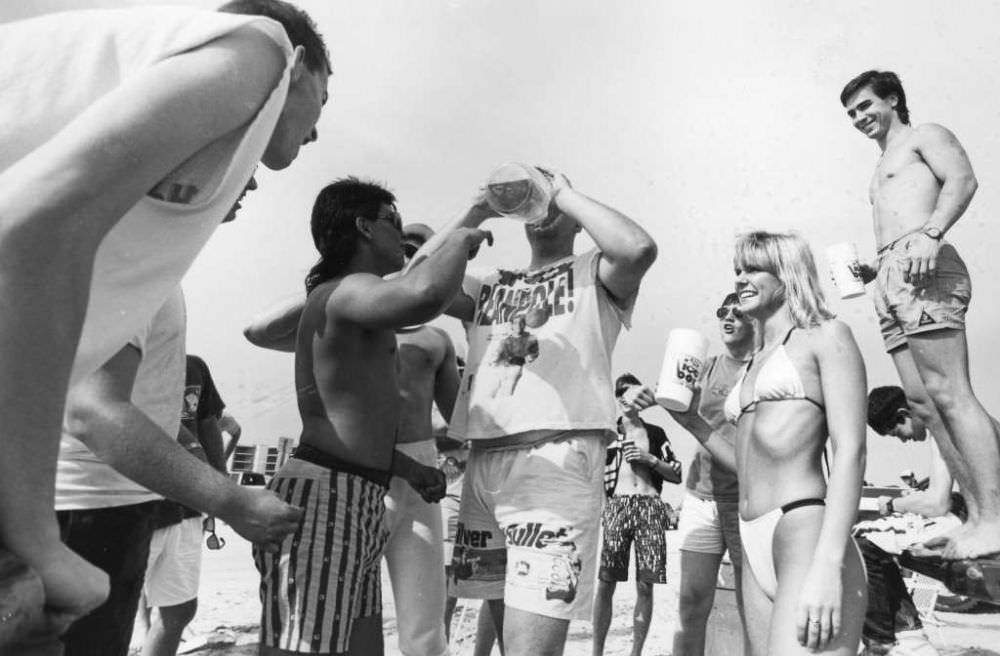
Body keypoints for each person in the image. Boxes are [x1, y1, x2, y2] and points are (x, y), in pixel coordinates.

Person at [0, 0, 330, 634]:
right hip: (75, 508)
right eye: (325, 97)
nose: (315, 130)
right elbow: (30, 232)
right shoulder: (259, 49)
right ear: (305, 66)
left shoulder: (121, 206)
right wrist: (39, 541)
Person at [253, 178, 492, 655]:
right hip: (329, 493)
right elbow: (423, 293)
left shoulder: (369, 311)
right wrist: (463, 240)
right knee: (303, 644)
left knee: (358, 643)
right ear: (364, 227)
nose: (403, 241)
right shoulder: (343, 293)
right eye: (393, 224)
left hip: (362, 485)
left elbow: (358, 428)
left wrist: (406, 466)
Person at [429, 169, 657, 656]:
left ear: (576, 219)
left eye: (552, 199)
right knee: (505, 642)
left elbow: (637, 248)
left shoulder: (594, 272)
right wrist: (476, 207)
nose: (543, 206)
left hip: (553, 463)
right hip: (483, 467)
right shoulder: (491, 286)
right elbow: (420, 281)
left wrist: (563, 193)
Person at [667, 231, 868, 654]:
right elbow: (748, 462)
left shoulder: (826, 336)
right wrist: (693, 423)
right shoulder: (755, 358)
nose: (741, 278)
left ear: (787, 274)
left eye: (753, 268)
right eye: (738, 269)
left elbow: (850, 450)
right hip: (751, 533)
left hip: (803, 531)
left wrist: (828, 564)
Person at [840, 70, 1000, 560]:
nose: (859, 118)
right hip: (890, 274)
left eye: (866, 106)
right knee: (924, 404)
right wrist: (873, 266)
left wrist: (931, 233)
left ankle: (994, 519)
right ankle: (969, 516)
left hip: (925, 264)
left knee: (951, 392)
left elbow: (963, 179)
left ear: (892, 99)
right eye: (851, 114)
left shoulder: (924, 135)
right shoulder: (881, 164)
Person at [668, 292, 753, 656]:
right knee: (691, 603)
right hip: (701, 497)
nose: (728, 318)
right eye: (722, 312)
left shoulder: (763, 370)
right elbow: (671, 397)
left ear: (755, 320)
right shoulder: (708, 366)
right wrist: (644, 396)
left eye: (737, 312)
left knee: (753, 607)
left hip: (746, 501)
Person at [136, 355, 232, 656]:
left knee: (179, 608)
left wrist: (221, 485)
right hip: (135, 503)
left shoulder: (194, 366)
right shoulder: (124, 354)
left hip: (186, 504)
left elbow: (207, 422)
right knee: (114, 607)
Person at [855, 385, 958, 656]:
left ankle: (882, 642)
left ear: (904, 414)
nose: (902, 441)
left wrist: (893, 504)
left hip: (977, 523)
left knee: (861, 542)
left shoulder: (943, 429)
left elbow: (937, 503)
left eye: (897, 432)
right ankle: (908, 636)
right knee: (871, 542)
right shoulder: (948, 424)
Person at [592, 373, 681, 656]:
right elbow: (592, 474)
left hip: (650, 506)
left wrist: (649, 459)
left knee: (646, 585)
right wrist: (603, 508)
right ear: (618, 398)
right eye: (625, 395)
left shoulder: (655, 433)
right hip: (618, 506)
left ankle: (636, 653)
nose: (630, 400)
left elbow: (676, 474)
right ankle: (596, 651)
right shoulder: (608, 433)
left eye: (635, 395)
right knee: (606, 582)